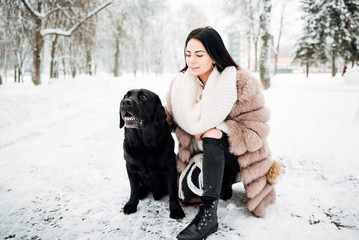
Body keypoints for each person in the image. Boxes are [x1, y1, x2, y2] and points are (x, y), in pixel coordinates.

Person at [165, 27, 281, 240]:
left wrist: (222, 129)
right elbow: (168, 120)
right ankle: (221, 187)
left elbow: (257, 127)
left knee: (212, 137)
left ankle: (208, 216)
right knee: (191, 184)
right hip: (201, 158)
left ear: (214, 54)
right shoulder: (181, 84)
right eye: (188, 54)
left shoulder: (240, 81)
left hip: (237, 157)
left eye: (199, 55)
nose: (192, 61)